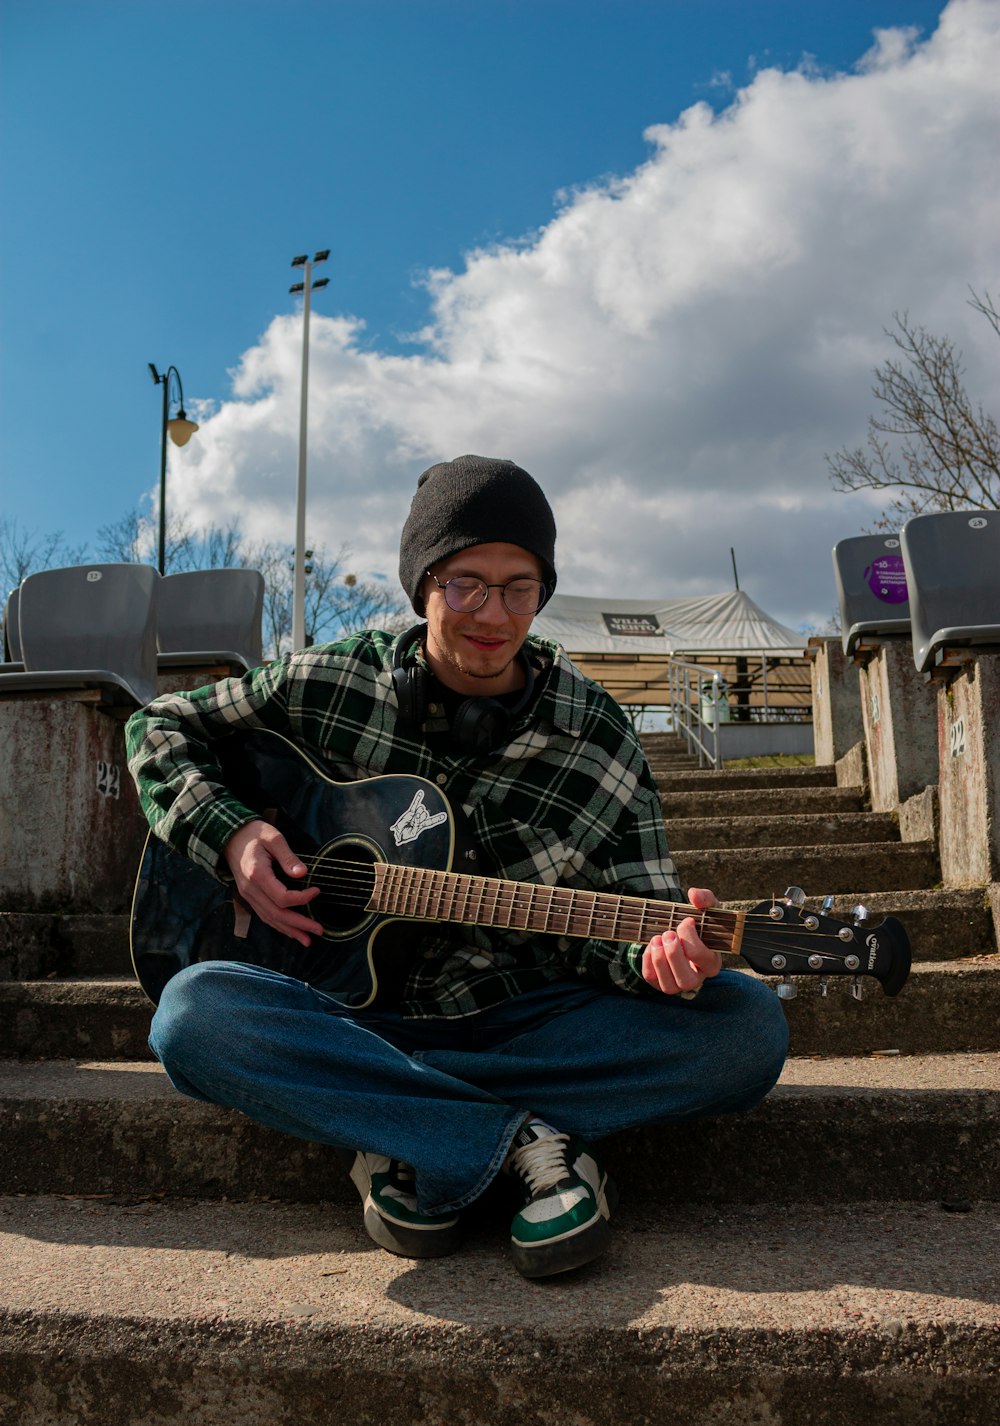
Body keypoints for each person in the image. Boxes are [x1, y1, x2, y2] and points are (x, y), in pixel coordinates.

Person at [126, 454, 788, 1279]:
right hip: (347, 1016)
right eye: (466, 583)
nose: (493, 612)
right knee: (192, 1018)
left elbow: (637, 912)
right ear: (423, 583)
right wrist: (232, 833)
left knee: (746, 1030)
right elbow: (159, 726)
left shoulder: (599, 737)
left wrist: (671, 962)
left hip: (525, 1018)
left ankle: (403, 1126)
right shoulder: (334, 680)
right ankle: (523, 1140)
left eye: (520, 587)